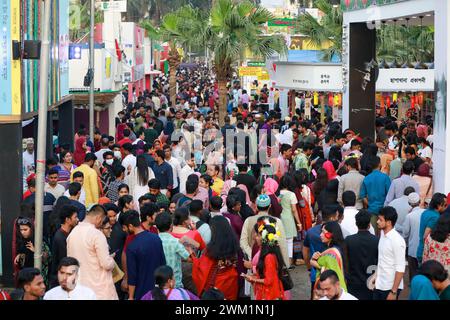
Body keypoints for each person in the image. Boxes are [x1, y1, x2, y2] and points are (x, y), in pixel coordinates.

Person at [67, 204, 118, 300]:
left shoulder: (72, 234)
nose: (101, 224)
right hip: (99, 291)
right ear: (99, 218)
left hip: (79, 289)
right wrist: (111, 259)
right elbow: (106, 264)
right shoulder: (96, 234)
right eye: (102, 221)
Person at [192, 216, 239, 300]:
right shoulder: (234, 243)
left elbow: (202, 269)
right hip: (231, 281)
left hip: (216, 283)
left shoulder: (211, 249)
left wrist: (193, 257)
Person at [122, 210, 166, 300]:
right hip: (157, 291)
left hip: (141, 292)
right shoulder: (156, 238)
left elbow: (132, 275)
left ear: (130, 226)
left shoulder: (132, 247)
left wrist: (130, 296)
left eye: (124, 227)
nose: (124, 230)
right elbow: (163, 263)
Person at [240, 194, 290, 268]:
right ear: (270, 206)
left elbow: (243, 242)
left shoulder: (248, 220)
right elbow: (282, 243)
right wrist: (286, 263)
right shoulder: (277, 221)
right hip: (272, 260)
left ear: (256, 206)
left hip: (253, 262)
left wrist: (252, 255)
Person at [242, 219, 286, 300]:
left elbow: (268, 280)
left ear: (264, 239)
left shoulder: (268, 257)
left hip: (269, 293)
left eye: (258, 235)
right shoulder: (268, 253)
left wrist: (253, 279)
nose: (256, 237)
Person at [344, 210, 379, 300]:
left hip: (353, 282)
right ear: (369, 224)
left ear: (356, 223)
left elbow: (346, 261)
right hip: (371, 282)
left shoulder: (349, 240)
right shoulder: (376, 240)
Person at [373, 206, 406, 300]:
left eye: (380, 220)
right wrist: (376, 276)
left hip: (390, 287)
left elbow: (400, 268)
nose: (377, 222)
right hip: (380, 283)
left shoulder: (397, 241)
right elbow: (382, 259)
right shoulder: (383, 234)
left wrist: (393, 291)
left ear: (389, 222)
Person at [155, 212, 191, 289]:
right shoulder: (175, 242)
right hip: (175, 284)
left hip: (158, 284)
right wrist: (189, 250)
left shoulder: (153, 241)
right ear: (171, 226)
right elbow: (189, 258)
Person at [310, 221, 347, 293]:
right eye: (321, 232)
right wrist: (313, 259)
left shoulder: (332, 253)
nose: (320, 235)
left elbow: (331, 274)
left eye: (323, 232)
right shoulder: (338, 248)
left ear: (332, 234)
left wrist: (316, 264)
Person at [49, 205, 79, 288]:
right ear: (67, 220)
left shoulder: (68, 233)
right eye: (75, 217)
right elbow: (65, 260)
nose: (77, 219)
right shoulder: (60, 238)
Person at [359, 156, 391, 232]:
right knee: (384, 233)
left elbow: (362, 196)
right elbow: (389, 194)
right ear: (379, 164)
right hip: (384, 210)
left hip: (371, 210)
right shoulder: (385, 177)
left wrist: (369, 204)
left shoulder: (366, 178)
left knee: (373, 232)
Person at [417, 193, 448, 263]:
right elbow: (425, 236)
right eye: (445, 205)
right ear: (438, 205)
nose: (446, 208)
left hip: (420, 249)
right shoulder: (435, 217)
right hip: (426, 253)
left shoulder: (426, 212)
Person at [279, 175, 302, 267]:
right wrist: (299, 222)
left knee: (281, 240)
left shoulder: (278, 193)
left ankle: (282, 262)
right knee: (289, 241)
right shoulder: (291, 194)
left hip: (280, 218)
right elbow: (294, 210)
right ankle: (289, 261)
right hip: (289, 218)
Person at [403, 192, 425, 281]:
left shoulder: (409, 216)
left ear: (409, 203)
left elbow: (405, 233)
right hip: (424, 248)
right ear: (419, 201)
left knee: (413, 274)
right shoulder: (426, 213)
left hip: (412, 249)